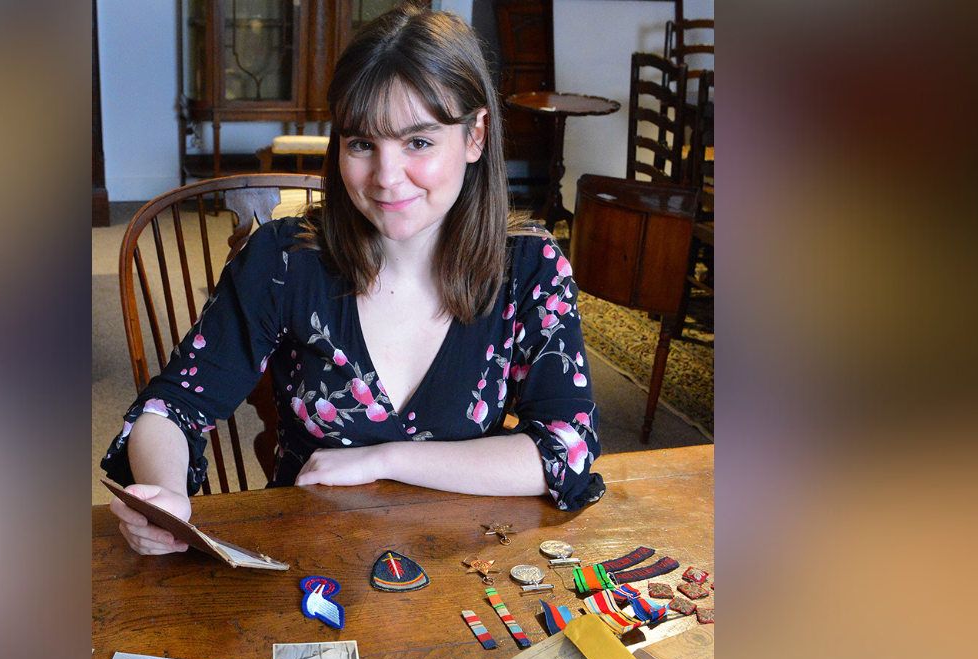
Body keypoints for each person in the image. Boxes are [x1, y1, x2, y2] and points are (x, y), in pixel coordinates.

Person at [103, 6, 606, 555]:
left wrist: (384, 458)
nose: (387, 179)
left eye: (419, 142)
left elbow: (566, 446)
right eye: (362, 144)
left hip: (459, 565)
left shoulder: (530, 268)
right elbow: (171, 408)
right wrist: (167, 497)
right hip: (308, 563)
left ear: (475, 136)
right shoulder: (283, 261)